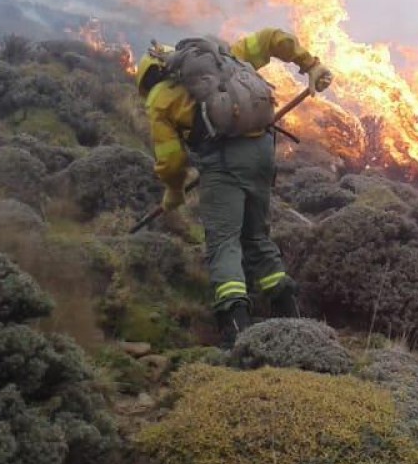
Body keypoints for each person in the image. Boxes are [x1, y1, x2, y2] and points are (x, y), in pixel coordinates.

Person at [134, 28, 333, 341]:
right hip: (262, 154)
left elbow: (171, 160)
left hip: (223, 164)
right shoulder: (226, 58)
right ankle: (288, 312)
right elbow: (271, 38)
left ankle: (235, 325)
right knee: (256, 235)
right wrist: (311, 65)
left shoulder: (159, 99)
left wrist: (173, 191)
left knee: (224, 241)